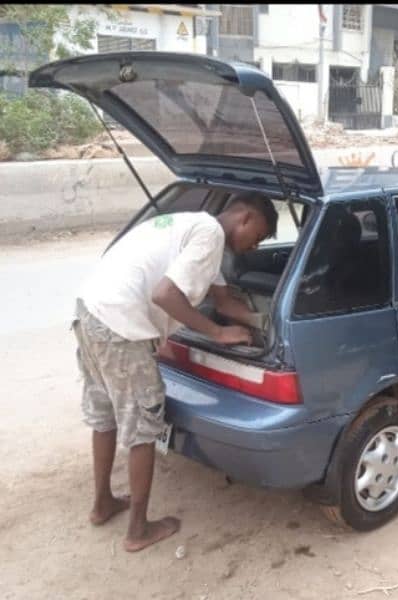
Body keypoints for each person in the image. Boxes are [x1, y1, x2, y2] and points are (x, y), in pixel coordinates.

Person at [71, 191, 278, 552]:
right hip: (121, 327)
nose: (252, 247)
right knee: (144, 426)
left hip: (89, 312)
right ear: (244, 218)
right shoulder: (210, 235)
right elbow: (165, 295)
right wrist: (216, 333)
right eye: (257, 237)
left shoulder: (193, 228)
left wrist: (263, 321)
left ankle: (102, 504)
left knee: (104, 414)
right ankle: (138, 530)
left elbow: (226, 302)